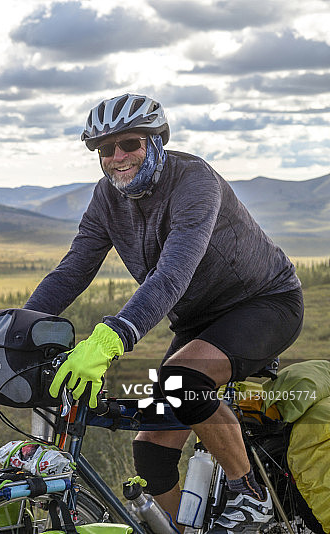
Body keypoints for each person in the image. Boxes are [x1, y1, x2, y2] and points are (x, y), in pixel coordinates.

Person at [24, 94, 303, 533]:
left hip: (263, 303)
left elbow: (172, 275)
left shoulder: (194, 181)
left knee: (183, 381)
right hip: (197, 322)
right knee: (151, 452)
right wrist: (21, 329)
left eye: (129, 143)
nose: (117, 157)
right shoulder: (106, 199)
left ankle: (252, 498)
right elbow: (74, 268)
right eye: (104, 149)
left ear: (156, 141)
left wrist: (109, 337)